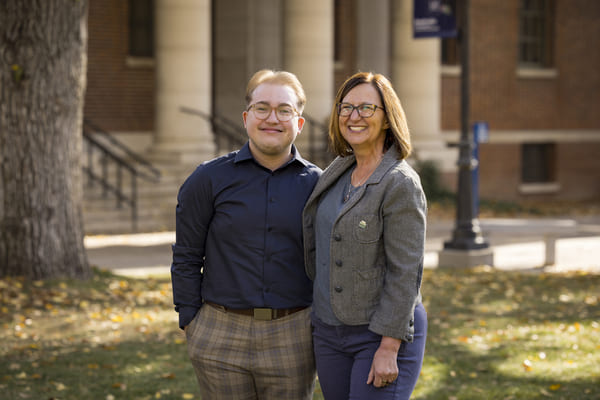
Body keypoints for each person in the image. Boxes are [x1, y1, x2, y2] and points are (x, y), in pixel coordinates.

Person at [171, 69, 321, 399]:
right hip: (219, 332)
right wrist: (190, 319)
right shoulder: (207, 180)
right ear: (246, 117)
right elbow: (186, 254)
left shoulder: (319, 186)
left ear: (299, 123)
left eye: (284, 110)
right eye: (262, 108)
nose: (272, 118)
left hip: (292, 333)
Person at [302, 71, 428, 400]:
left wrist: (389, 346)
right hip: (329, 333)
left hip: (380, 335)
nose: (354, 117)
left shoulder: (400, 182)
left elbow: (405, 272)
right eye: (346, 107)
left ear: (387, 119)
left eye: (367, 108)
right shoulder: (337, 170)